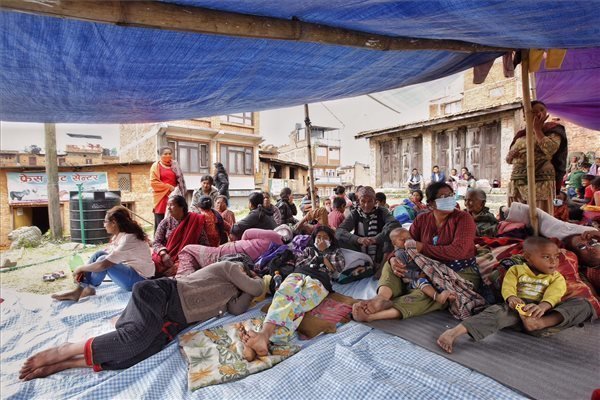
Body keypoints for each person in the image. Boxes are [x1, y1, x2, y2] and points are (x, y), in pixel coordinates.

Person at [20, 260, 264, 380]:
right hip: (159, 295)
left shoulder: (232, 293)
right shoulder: (230, 267)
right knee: (135, 339)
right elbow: (255, 288)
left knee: (137, 354)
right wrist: (259, 281)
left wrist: (245, 291)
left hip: (166, 320)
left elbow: (238, 310)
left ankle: (68, 363)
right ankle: (64, 350)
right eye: (250, 274)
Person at [437, 237, 594, 353]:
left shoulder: (556, 277)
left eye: (556, 256)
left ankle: (538, 324)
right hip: (516, 311)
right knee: (496, 311)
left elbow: (555, 293)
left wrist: (543, 306)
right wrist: (511, 298)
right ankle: (454, 332)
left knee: (584, 304)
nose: (553, 261)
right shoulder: (516, 270)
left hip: (543, 315)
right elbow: (508, 286)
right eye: (546, 257)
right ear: (528, 257)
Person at [352, 182, 481, 322]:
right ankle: (381, 299)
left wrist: (421, 247)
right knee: (393, 263)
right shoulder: (422, 219)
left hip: (457, 271)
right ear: (431, 204)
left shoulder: (464, 218)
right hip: (425, 267)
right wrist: (393, 259)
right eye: (443, 197)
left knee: (438, 293)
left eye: (450, 195)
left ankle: (373, 315)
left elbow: (458, 251)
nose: (449, 199)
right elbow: (403, 244)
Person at [242, 226, 345, 361]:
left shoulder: (336, 253)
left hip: (320, 280)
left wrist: (323, 255)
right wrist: (318, 257)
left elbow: (337, 270)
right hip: (300, 273)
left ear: (330, 240)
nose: (321, 240)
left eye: (325, 237)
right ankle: (264, 338)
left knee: (299, 304)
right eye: (318, 237)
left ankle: (262, 338)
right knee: (283, 295)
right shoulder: (308, 250)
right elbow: (300, 263)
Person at [52, 206, 154, 301]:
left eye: (105, 221)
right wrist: (86, 269)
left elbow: (103, 265)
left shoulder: (129, 238)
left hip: (140, 281)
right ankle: (80, 290)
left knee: (102, 260)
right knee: (99, 254)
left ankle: (89, 288)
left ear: (114, 223)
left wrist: (80, 268)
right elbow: (107, 254)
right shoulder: (121, 235)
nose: (104, 225)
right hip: (132, 273)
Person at [506, 100, 567, 213]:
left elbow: (550, 150)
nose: (539, 113)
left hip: (540, 181)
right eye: (534, 111)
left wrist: (537, 130)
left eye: (542, 110)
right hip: (517, 182)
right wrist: (511, 155)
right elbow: (508, 160)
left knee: (539, 215)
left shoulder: (553, 130)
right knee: (518, 216)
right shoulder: (520, 135)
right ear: (525, 116)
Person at [177, 228, 286, 277]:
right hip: (240, 264)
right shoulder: (284, 252)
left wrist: (242, 244)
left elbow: (247, 233)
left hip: (229, 253)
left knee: (187, 250)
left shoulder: (274, 235)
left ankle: (184, 280)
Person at [336, 186, 399, 268]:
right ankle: (360, 264)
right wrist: (358, 239)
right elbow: (339, 231)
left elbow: (395, 224)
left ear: (375, 201)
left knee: (391, 235)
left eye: (370, 201)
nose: (366, 205)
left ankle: (382, 267)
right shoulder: (355, 213)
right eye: (363, 201)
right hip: (360, 251)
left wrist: (376, 238)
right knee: (339, 239)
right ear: (358, 201)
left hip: (380, 252)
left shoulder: (382, 211)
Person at [390, 228, 456, 305]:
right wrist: (417, 275)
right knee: (422, 281)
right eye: (402, 240)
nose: (406, 241)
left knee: (435, 278)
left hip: (423, 272)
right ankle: (438, 297)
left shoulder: (412, 247)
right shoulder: (400, 254)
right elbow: (403, 272)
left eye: (409, 238)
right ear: (394, 243)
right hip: (412, 280)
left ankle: (448, 295)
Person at [152, 196, 205, 277]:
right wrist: (163, 254)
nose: (168, 208)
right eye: (168, 205)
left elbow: (204, 245)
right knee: (154, 264)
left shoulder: (194, 221)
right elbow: (156, 242)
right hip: (167, 257)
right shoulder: (165, 222)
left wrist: (181, 262)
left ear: (181, 207)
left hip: (187, 258)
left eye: (171, 205)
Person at [150, 146, 186, 230]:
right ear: (160, 155)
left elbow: (180, 181)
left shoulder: (175, 165)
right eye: (165, 154)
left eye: (170, 154)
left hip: (174, 196)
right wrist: (169, 187)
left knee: (175, 221)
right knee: (160, 223)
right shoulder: (156, 166)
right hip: (161, 198)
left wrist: (176, 190)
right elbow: (153, 182)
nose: (168, 155)